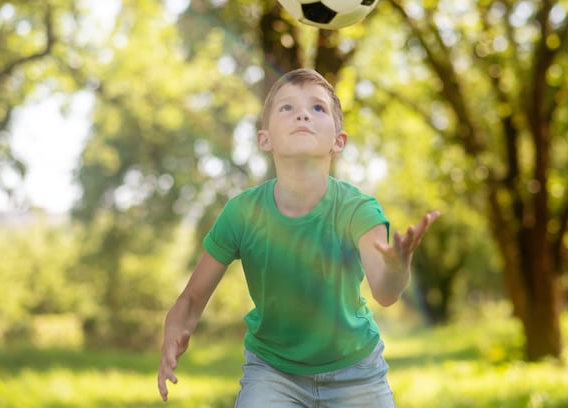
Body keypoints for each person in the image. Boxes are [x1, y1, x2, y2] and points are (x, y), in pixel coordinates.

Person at [157, 68, 439, 406]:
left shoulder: (358, 210)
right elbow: (190, 299)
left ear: (339, 140)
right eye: (287, 107)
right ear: (265, 139)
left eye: (318, 108)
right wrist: (173, 329)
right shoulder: (242, 214)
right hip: (273, 372)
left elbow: (386, 292)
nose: (303, 113)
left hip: (356, 370)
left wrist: (397, 267)